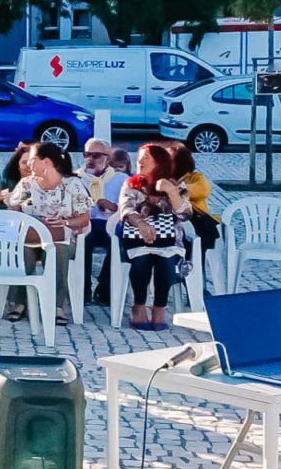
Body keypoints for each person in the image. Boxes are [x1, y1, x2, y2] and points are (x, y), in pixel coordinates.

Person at [2, 142, 91, 326]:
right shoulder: (27, 184)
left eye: (33, 160)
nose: (29, 164)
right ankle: (19, 303)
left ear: (47, 162)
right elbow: (15, 209)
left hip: (62, 238)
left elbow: (84, 219)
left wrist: (64, 222)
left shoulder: (72, 185)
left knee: (58, 248)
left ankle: (57, 305)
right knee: (25, 249)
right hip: (31, 237)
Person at [118, 142, 194, 331]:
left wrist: (171, 191)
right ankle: (139, 306)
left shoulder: (177, 184)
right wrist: (141, 223)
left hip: (169, 242)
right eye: (139, 158)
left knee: (165, 262)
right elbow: (125, 209)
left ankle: (159, 307)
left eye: (145, 158)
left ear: (159, 162)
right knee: (142, 262)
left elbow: (184, 214)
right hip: (137, 240)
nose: (140, 162)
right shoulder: (130, 184)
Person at [80, 139, 130, 306]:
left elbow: (129, 207)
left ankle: (105, 290)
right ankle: (82, 290)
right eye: (86, 155)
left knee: (119, 243)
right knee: (83, 242)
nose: (89, 160)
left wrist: (113, 206)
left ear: (108, 159)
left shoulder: (122, 179)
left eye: (95, 156)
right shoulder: (78, 178)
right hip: (86, 224)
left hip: (112, 225)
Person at [168, 140, 220, 257]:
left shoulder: (195, 177)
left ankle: (192, 267)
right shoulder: (162, 178)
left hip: (195, 222)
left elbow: (203, 190)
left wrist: (175, 189)